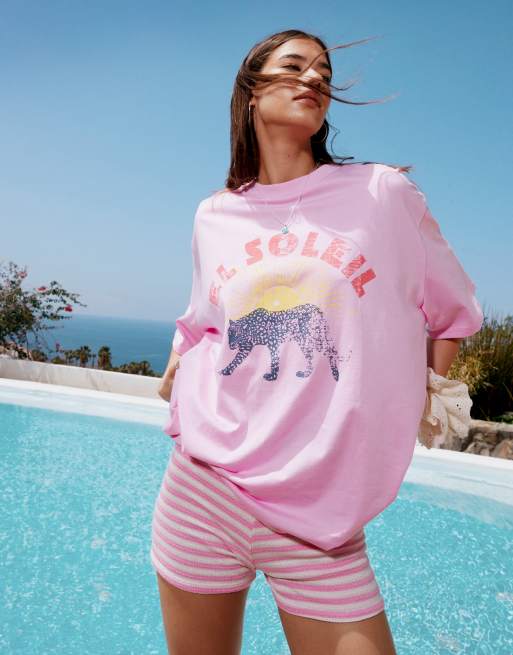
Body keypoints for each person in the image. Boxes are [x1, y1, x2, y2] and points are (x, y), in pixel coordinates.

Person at [151, 29, 484, 655]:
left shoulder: (380, 194)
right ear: (251, 90)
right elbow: (200, 320)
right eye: (295, 65)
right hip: (203, 491)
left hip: (321, 523)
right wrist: (175, 382)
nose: (313, 79)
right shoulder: (214, 214)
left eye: (324, 75)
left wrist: (422, 394)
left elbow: (454, 312)